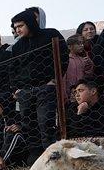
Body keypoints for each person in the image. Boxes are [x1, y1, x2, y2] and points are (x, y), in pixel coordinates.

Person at [8, 8, 68, 152]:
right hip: (25, 92)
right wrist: (16, 89)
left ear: (30, 23)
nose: (18, 30)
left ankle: (51, 155)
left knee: (46, 123)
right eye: (15, 27)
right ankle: (35, 157)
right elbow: (12, 70)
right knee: (28, 126)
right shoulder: (17, 46)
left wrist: (55, 79)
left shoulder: (50, 35)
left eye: (21, 26)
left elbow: (63, 57)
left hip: (46, 88)